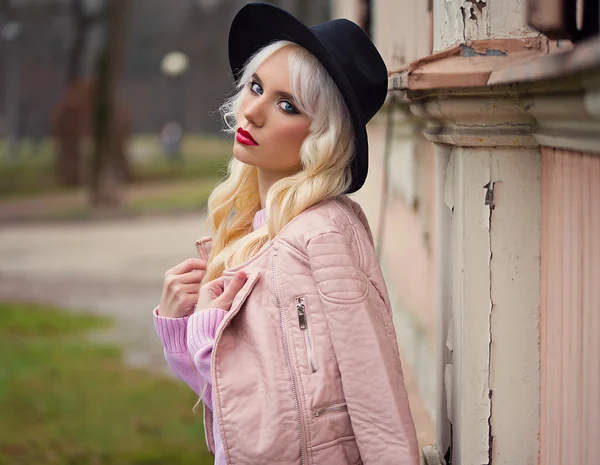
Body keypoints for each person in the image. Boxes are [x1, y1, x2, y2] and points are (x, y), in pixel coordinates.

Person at [153, 3, 419, 464]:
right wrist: (185, 331)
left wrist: (202, 334)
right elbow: (250, 414)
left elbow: (375, 392)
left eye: (286, 105)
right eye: (256, 87)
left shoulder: (322, 233)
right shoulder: (259, 230)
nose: (252, 111)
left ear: (323, 135)